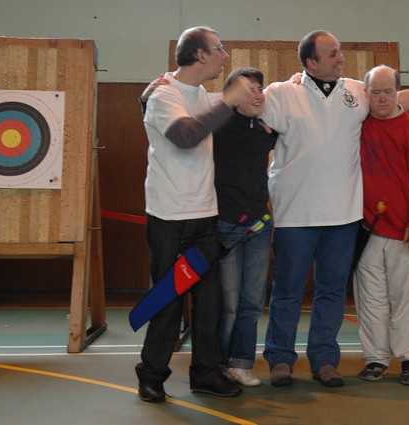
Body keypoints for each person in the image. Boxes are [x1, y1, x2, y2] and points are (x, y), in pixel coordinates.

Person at [260, 30, 409, 387]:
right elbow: (243, 106)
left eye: (340, 51)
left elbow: (396, 98)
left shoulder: (356, 91)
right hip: (294, 216)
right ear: (311, 62)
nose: (341, 58)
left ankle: (324, 360)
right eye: (333, 53)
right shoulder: (282, 92)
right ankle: (280, 359)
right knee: (287, 291)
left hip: (344, 219)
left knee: (332, 292)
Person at [135, 25, 252, 402]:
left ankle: (204, 373)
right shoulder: (163, 95)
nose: (225, 55)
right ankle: (151, 375)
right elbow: (186, 136)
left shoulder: (199, 93)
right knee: (167, 300)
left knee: (209, 302)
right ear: (200, 54)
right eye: (219, 48)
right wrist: (228, 99)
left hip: (204, 216)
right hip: (169, 217)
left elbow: (220, 112)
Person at [354, 65, 409, 386]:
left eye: (388, 92)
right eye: (375, 92)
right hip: (365, 231)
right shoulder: (357, 124)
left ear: (397, 92)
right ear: (366, 93)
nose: (382, 99)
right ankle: (375, 358)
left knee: (406, 297)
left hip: (404, 231)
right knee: (370, 299)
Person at [214, 68, 277, 387]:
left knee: (252, 302)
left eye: (260, 88)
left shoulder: (267, 130)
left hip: (259, 227)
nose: (257, 94)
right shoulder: (218, 127)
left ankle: (240, 363)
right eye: (249, 89)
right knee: (228, 303)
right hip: (226, 227)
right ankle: (217, 364)